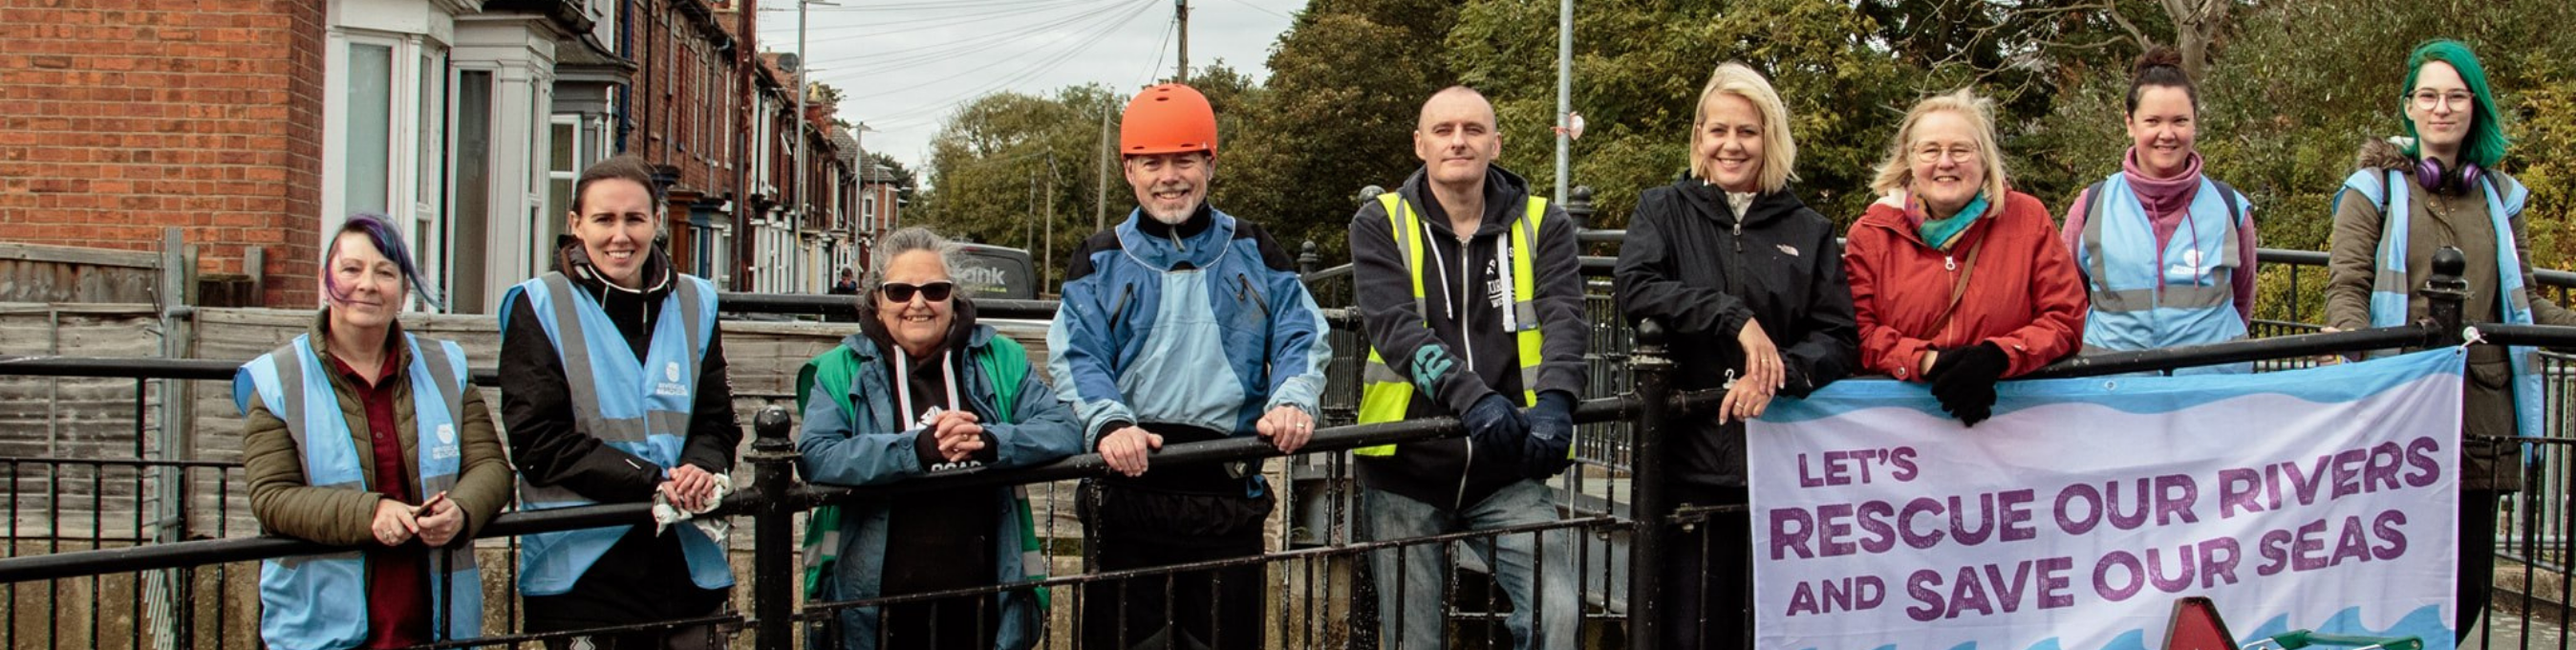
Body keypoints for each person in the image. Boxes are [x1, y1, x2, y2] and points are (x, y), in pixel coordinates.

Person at [1048, 81, 1333, 650]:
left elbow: (1302, 331)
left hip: (1226, 493)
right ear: (1129, 171)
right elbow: (1079, 354)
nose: (1168, 176)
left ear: (1210, 162)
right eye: (1151, 162)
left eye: (1184, 159)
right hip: (1128, 490)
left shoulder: (1255, 246)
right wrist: (1108, 422)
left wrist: (1292, 401)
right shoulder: (1098, 257)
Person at [2322, 39, 2575, 640]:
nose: (2442, 108)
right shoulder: (2372, 190)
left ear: (2474, 107)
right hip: (2395, 408)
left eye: (2456, 96)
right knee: (2387, 574)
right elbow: (2347, 287)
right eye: (2429, 95)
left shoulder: (2501, 198)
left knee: (2469, 586)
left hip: (2480, 417)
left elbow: (2525, 301)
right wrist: (2356, 350)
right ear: (2409, 106)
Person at [1614, 62, 1858, 647]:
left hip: (1781, 469)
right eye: (1718, 130)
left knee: (1766, 630)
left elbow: (1838, 336)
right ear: (1699, 137)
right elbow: (1637, 287)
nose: (1731, 144)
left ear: (1770, 137)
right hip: (1685, 466)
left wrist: (1778, 372)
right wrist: (1733, 316)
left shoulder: (1810, 228)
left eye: (1746, 131)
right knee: (1683, 627)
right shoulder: (1662, 210)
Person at [1348, 85, 1586, 650]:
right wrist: (1473, 398)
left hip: (1507, 468)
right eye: (1444, 130)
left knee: (1559, 616)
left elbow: (1565, 319)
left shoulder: (1541, 222)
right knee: (1415, 640)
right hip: (1407, 467)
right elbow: (1394, 328)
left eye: (1474, 130)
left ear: (1495, 144)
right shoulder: (1380, 220)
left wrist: (1556, 401)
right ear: (1419, 144)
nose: (1459, 140)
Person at [794, 227, 1083, 650]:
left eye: (934, 289)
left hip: (983, 600)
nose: (917, 303)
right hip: (872, 608)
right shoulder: (839, 367)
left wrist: (990, 440)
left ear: (954, 297)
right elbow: (819, 455)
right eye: (899, 291)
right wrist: (919, 449)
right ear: (876, 299)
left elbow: (1063, 429)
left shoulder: (999, 358)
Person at [238, 213, 511, 650]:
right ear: (325, 281)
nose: (368, 284)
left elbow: (491, 468)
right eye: (351, 269)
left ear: (403, 291)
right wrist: (372, 513)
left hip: (437, 625)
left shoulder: (446, 366)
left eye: (385, 272)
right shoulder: (277, 376)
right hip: (320, 628)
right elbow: (272, 497)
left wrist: (460, 511)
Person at [500, 154, 740, 649]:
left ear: (656, 221)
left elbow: (716, 421)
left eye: (634, 218)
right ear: (575, 225)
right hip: (583, 566)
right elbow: (537, 442)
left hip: (686, 562)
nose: (620, 235)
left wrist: (700, 466)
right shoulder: (539, 303)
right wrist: (652, 481)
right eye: (604, 219)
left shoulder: (697, 301)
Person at [1842, 88, 2087, 425]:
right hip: (1903, 430)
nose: (1946, 162)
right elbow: (1859, 333)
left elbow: (2064, 319)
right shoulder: (1872, 233)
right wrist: (1927, 362)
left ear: (1984, 158)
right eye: (1930, 150)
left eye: (1961, 150)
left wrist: (1997, 357)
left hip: (2016, 423)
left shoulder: (2028, 218)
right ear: (1909, 160)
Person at [2061, 47, 2260, 373]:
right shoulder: (2090, 207)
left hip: (2214, 396)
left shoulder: (2230, 208)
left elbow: (2242, 300)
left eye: (2179, 121)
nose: (2167, 135)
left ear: (2195, 123)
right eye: (2153, 121)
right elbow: (2068, 300)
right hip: (2115, 396)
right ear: (2130, 123)